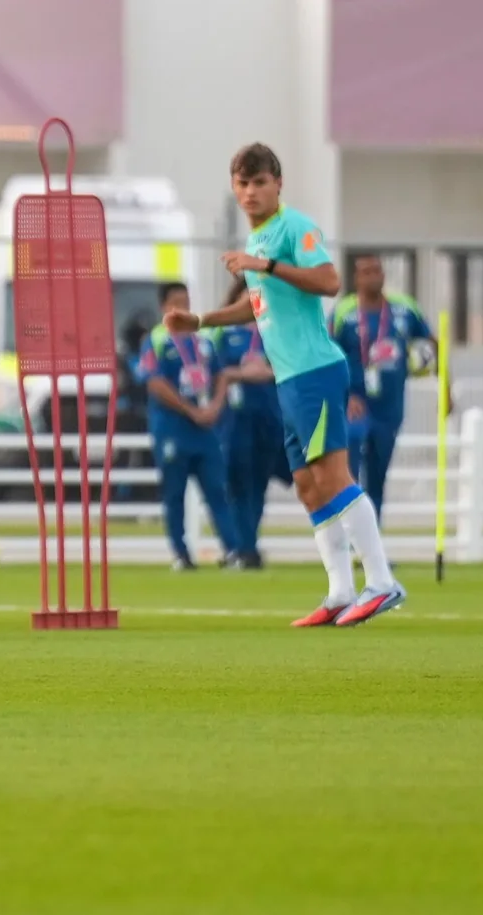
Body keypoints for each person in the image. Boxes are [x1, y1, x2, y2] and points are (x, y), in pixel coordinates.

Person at [166, 143, 406, 627]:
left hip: (316, 371)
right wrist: (202, 320)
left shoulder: (294, 228)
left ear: (278, 184)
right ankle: (341, 591)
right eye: (243, 183)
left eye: (259, 182)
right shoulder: (256, 241)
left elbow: (328, 281)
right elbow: (260, 306)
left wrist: (267, 266)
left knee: (334, 476)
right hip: (290, 378)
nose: (251, 191)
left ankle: (381, 582)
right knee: (306, 485)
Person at [137, 282, 235, 569]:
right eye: (176, 302)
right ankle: (180, 553)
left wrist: (215, 406)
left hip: (205, 430)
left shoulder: (203, 340)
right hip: (172, 429)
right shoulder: (155, 340)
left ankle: (232, 550)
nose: (183, 308)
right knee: (174, 493)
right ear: (164, 307)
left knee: (217, 490)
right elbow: (155, 383)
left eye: (186, 301)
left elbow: (221, 376)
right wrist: (191, 410)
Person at [330, 254, 436, 518]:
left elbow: (433, 345)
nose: (373, 276)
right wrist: (344, 396)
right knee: (351, 468)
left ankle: (371, 549)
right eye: (366, 272)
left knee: (377, 476)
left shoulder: (405, 309)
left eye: (377, 271)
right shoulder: (344, 312)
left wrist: (444, 385)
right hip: (355, 405)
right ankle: (350, 537)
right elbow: (327, 356)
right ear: (356, 279)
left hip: (390, 406)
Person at [207, 278, 280, 569]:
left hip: (268, 416)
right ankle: (244, 547)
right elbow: (214, 371)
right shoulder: (223, 333)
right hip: (235, 419)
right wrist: (241, 374)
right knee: (237, 482)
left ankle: (248, 544)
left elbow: (287, 366)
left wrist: (263, 373)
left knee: (258, 485)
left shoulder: (275, 331)